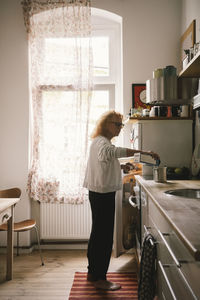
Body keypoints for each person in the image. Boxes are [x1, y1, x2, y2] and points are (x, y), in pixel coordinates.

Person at [83, 110, 159, 291]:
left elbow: (106, 160)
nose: (120, 128)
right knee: (104, 236)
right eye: (118, 124)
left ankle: (93, 273)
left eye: (121, 125)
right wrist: (143, 152)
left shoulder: (100, 142)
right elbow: (112, 152)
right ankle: (100, 278)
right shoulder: (102, 142)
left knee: (98, 235)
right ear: (107, 124)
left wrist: (121, 166)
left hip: (98, 193)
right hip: (102, 195)